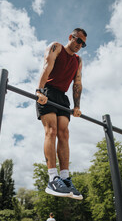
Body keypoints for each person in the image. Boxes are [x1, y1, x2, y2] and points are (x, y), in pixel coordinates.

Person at [36, 28, 87, 200]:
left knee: (64, 134)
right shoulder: (56, 47)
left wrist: (77, 105)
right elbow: (46, 67)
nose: (80, 45)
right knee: (51, 131)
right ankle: (52, 178)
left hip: (63, 98)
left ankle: (65, 178)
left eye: (83, 43)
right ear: (70, 37)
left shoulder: (78, 60)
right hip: (48, 92)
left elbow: (77, 83)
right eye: (78, 40)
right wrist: (40, 91)